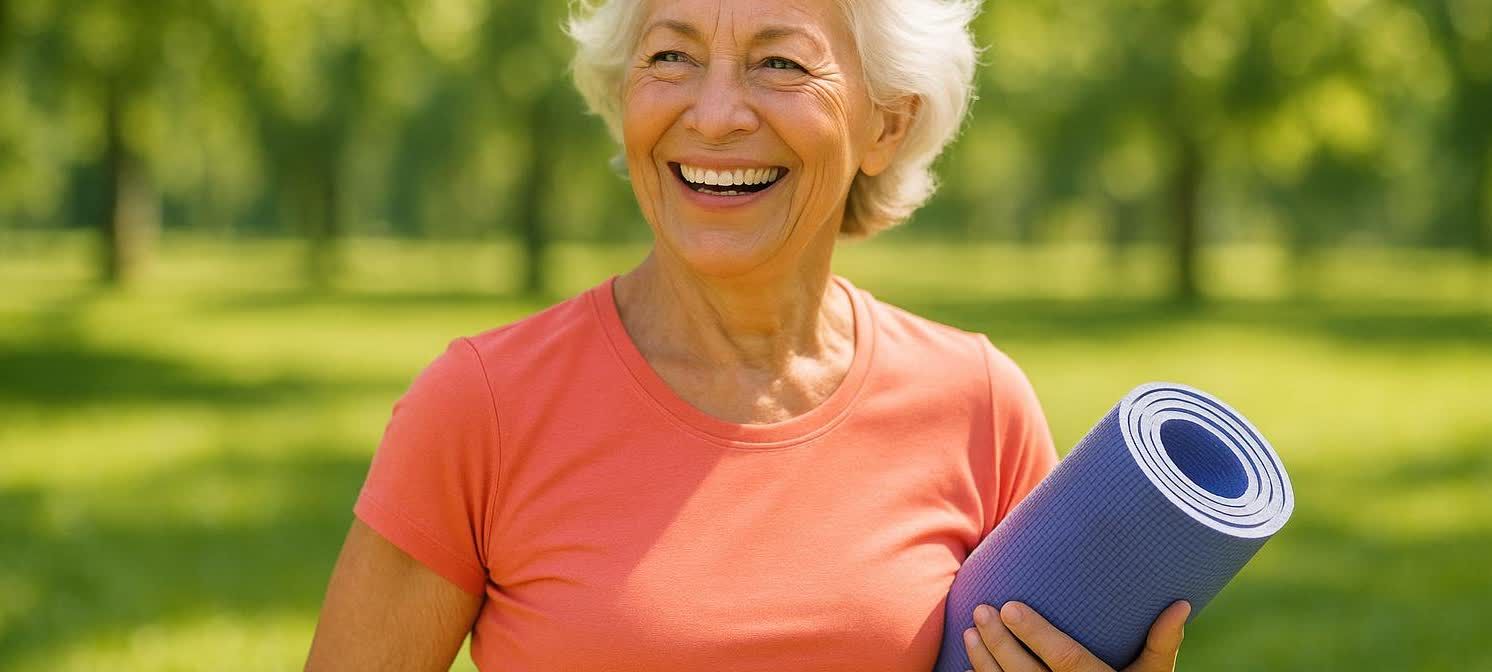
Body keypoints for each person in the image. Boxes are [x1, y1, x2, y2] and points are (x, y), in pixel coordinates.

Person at [304, 1, 1189, 670]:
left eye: (778, 63)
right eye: (671, 57)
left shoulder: (981, 406)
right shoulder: (481, 406)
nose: (716, 113)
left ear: (886, 123)